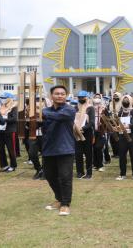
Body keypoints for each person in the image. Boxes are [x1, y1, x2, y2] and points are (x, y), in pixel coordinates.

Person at [42, 85, 76, 216]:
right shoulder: (46, 111)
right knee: (50, 175)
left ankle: (66, 204)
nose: (60, 95)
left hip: (65, 148)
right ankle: (59, 198)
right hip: (49, 148)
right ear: (52, 96)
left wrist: (41, 112)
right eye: (57, 93)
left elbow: (58, 116)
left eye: (62, 93)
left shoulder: (69, 110)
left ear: (66, 96)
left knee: (65, 177)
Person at [116, 95, 133, 181]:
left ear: (130, 101)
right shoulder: (120, 112)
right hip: (123, 136)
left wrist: (125, 126)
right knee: (122, 156)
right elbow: (118, 123)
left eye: (127, 100)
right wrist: (118, 127)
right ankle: (122, 174)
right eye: (124, 100)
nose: (125, 102)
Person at [74, 91, 95, 179]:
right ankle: (80, 172)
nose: (81, 99)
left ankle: (89, 172)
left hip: (87, 133)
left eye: (83, 97)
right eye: (79, 97)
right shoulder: (75, 107)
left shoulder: (90, 108)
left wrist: (83, 128)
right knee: (78, 153)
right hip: (76, 133)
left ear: (87, 98)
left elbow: (91, 122)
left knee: (88, 153)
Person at [0, 94, 18, 173]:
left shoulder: (13, 107)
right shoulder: (0, 107)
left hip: (9, 131)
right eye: (1, 98)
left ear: (9, 99)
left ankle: (13, 165)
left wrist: (3, 119)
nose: (2, 100)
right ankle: (4, 165)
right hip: (1, 131)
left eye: (4, 98)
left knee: (11, 149)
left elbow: (14, 119)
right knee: (1, 148)